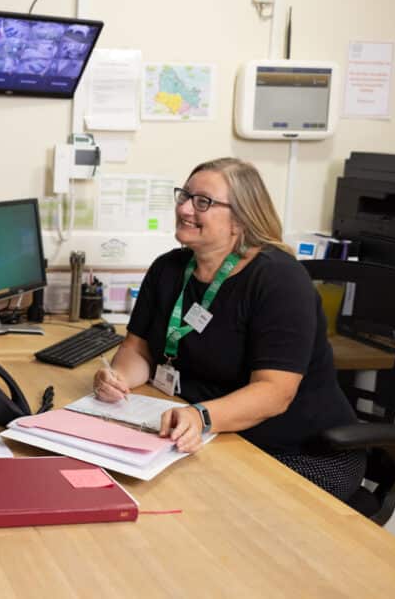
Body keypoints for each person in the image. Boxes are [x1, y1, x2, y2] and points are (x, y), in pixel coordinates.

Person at [93, 157, 364, 500]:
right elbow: (139, 349)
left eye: (203, 202)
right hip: (218, 437)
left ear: (239, 219)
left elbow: (274, 392)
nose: (186, 208)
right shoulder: (168, 269)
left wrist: (202, 415)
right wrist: (118, 379)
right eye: (184, 196)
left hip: (298, 451)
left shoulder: (279, 280)